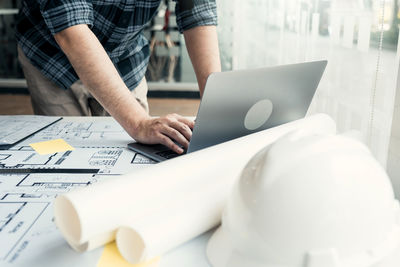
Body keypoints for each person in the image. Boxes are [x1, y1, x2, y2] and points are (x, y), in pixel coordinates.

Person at [15, 0, 221, 154]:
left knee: (134, 155)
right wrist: (139, 123)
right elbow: (70, 29)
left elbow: (197, 12)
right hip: (52, 55)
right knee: (66, 152)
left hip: (124, 54)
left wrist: (216, 106)